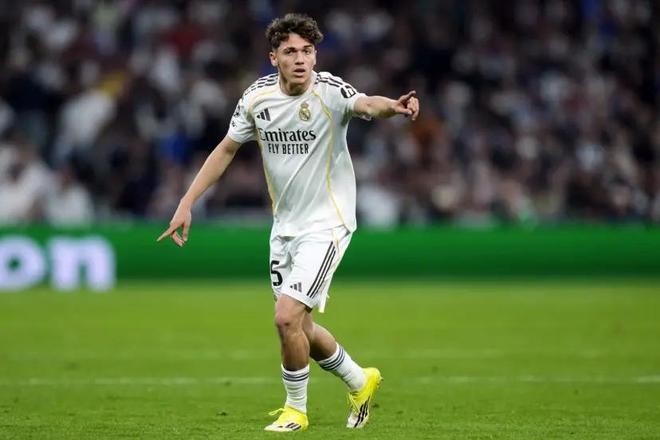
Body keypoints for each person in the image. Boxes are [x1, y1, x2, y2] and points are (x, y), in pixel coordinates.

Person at [157, 13, 419, 432]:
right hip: (285, 228)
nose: (300, 59)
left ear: (316, 56)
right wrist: (186, 203)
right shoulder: (256, 98)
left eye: (307, 51)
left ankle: (296, 410)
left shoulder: (330, 91)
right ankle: (360, 379)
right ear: (273, 58)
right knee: (301, 327)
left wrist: (395, 106)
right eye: (291, 52)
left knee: (285, 317)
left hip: (327, 223)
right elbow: (225, 150)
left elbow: (368, 103)